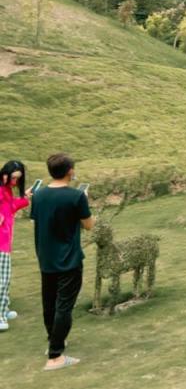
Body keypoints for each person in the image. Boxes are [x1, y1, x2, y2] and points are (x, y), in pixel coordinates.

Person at [30, 153, 94, 370]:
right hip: (69, 259)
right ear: (70, 171)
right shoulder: (76, 196)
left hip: (45, 257)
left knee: (49, 302)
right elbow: (89, 225)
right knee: (64, 306)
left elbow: (39, 219)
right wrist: (83, 202)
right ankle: (55, 356)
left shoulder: (38, 195)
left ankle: (53, 341)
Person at [0, 161, 33, 331]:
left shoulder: (5, 189)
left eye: (17, 179)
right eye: (12, 178)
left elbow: (9, 207)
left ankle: (3, 309)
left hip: (4, 239)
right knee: (1, 279)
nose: (14, 182)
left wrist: (24, 199)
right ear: (5, 173)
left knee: (4, 278)